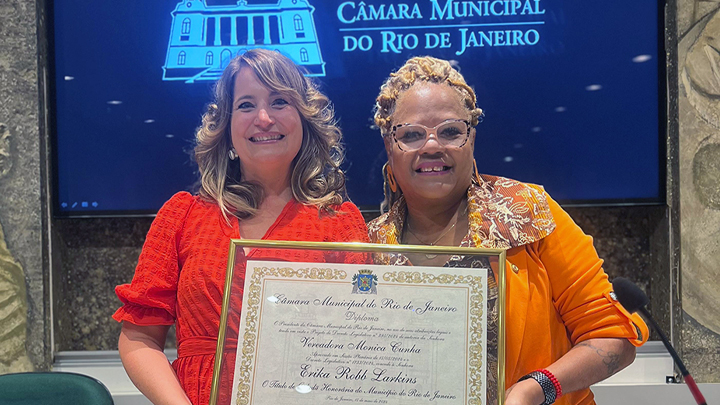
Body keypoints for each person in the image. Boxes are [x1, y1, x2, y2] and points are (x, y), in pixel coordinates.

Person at [367, 56, 649, 405]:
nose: (431, 146)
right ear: (389, 146)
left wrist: (537, 388)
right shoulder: (367, 247)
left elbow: (613, 338)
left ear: (471, 139)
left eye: (451, 131)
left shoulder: (529, 212)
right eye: (411, 135)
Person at [113, 49, 369, 405]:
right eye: (246, 105)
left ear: (304, 118)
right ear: (227, 126)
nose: (263, 118)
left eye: (279, 101)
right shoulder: (183, 216)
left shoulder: (340, 222)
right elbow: (139, 337)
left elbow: (361, 340)